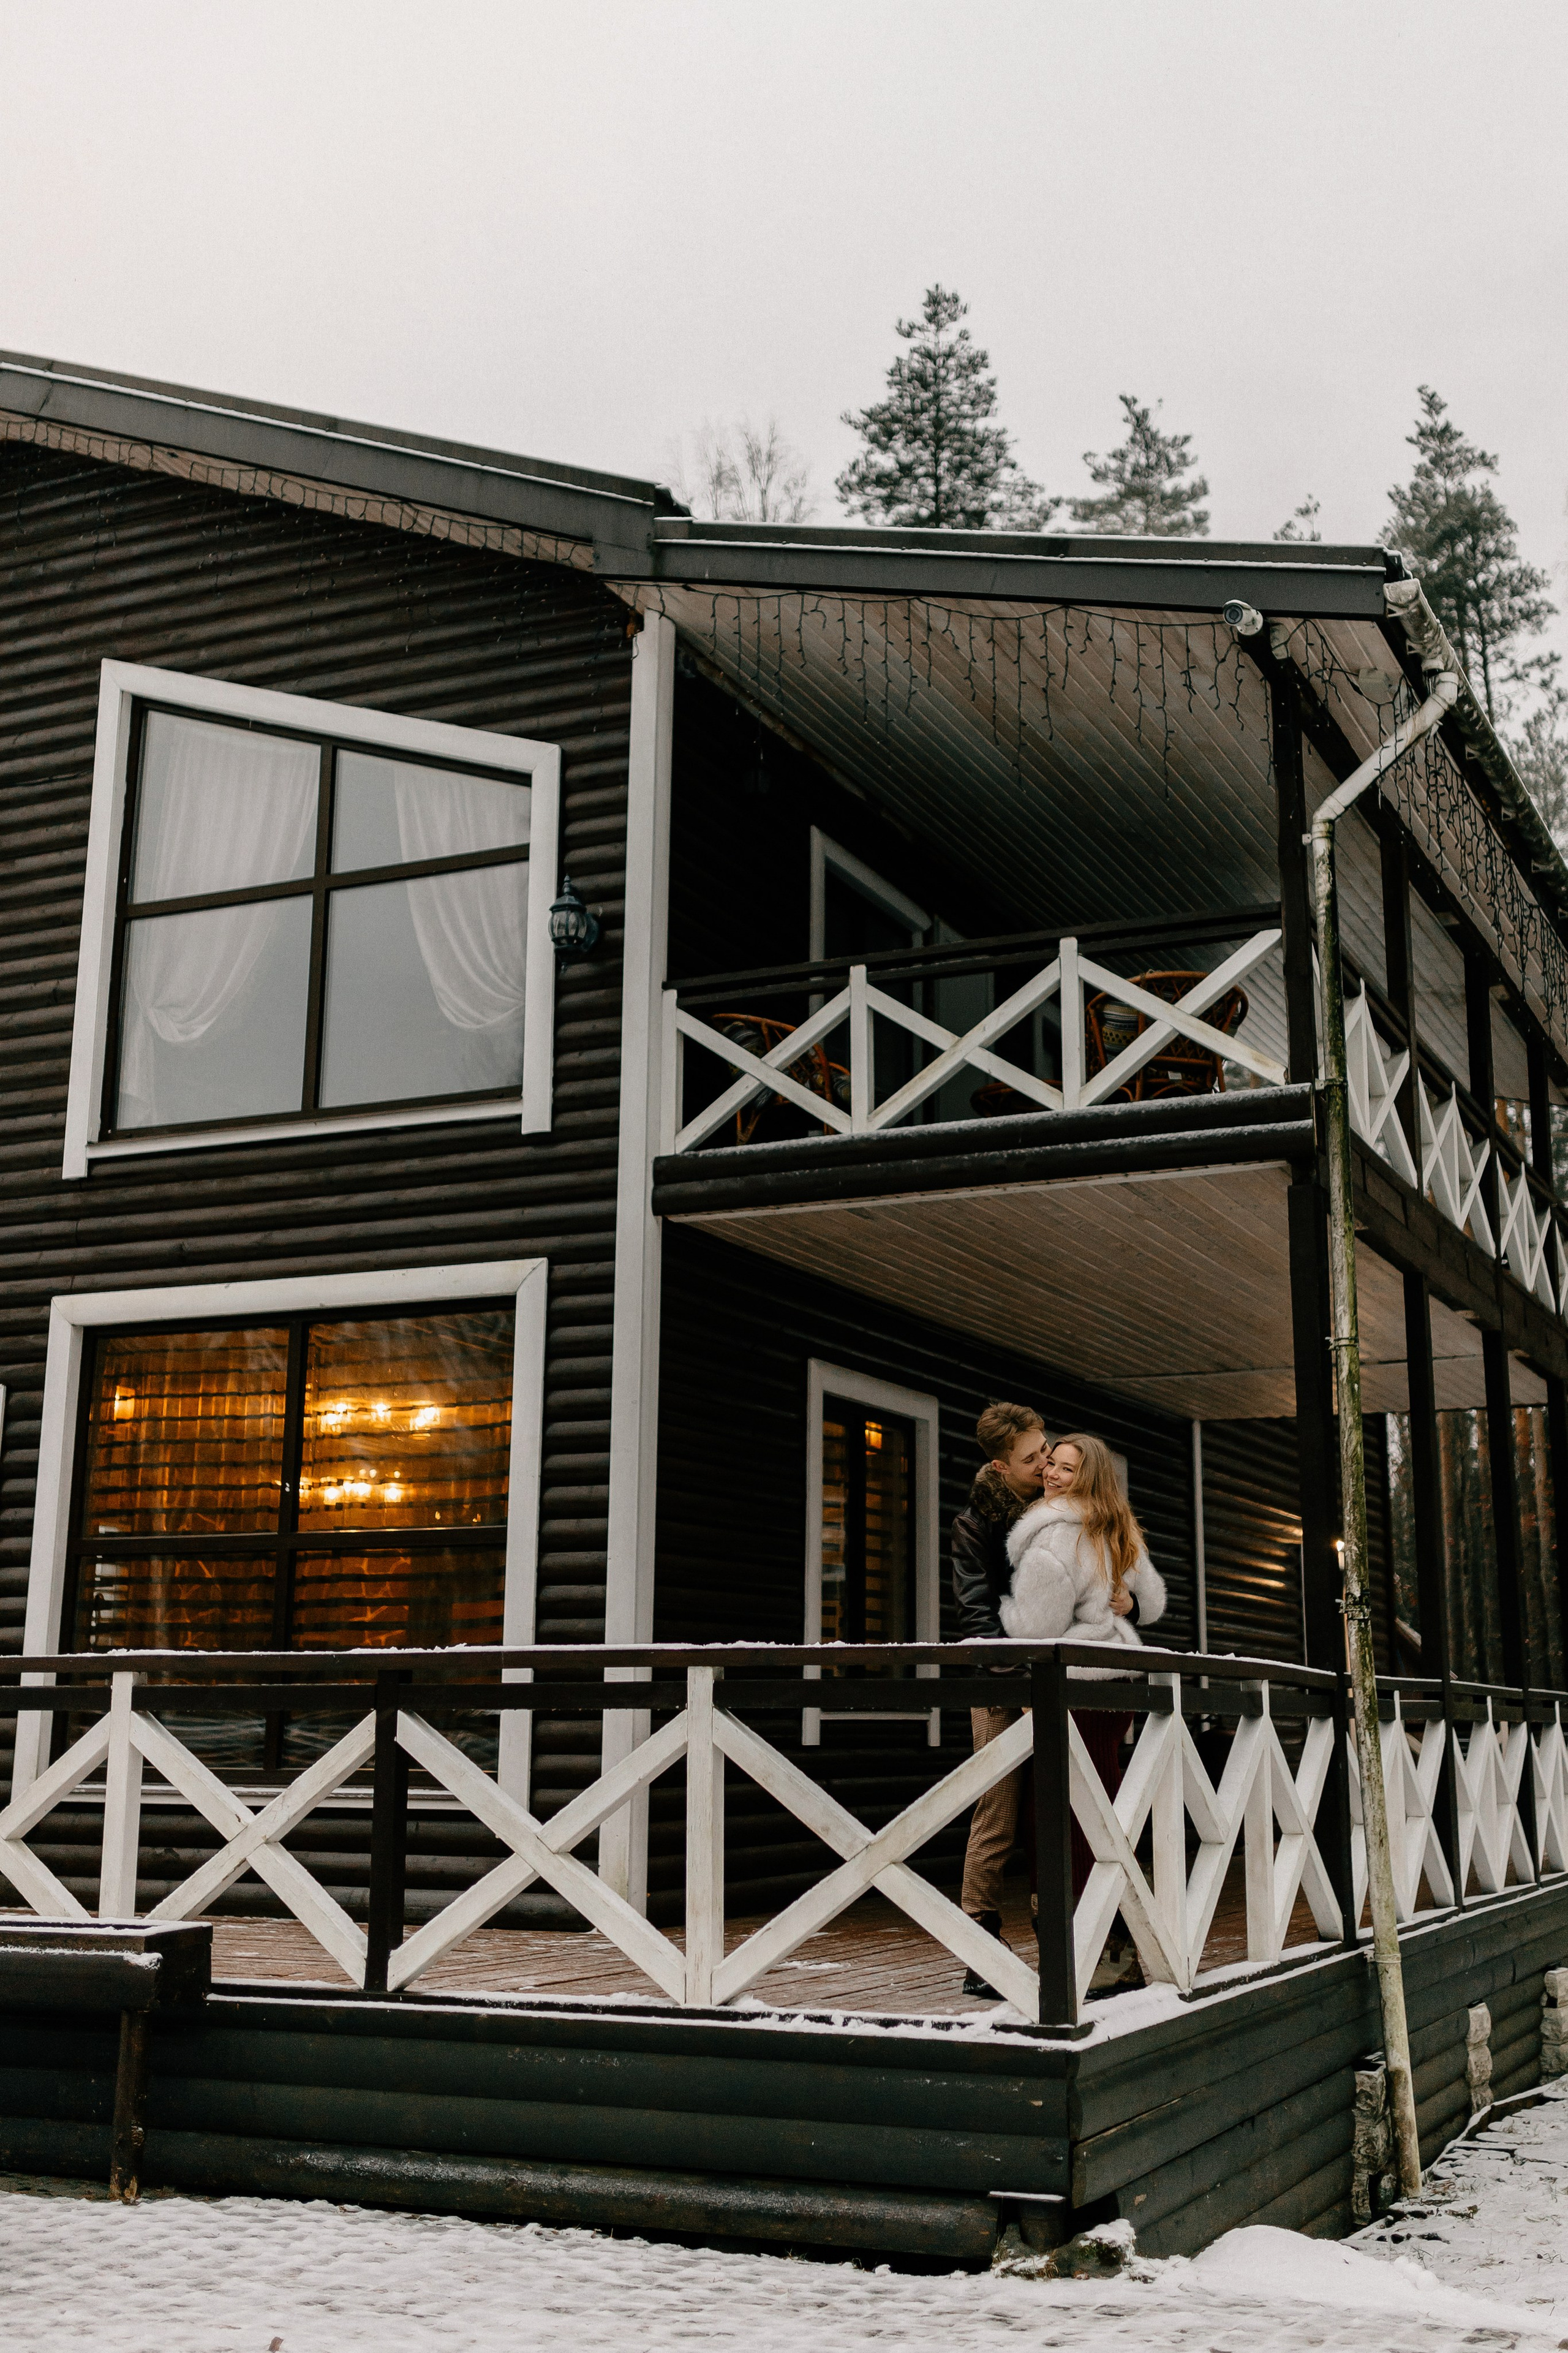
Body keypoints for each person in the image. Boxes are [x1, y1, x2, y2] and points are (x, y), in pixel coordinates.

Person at [1003, 1432, 1166, 1991]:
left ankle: (1085, 1953)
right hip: (1117, 1684)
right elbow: (1153, 1601)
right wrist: (1131, 1603)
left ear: (1087, 1478)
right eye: (1051, 1463)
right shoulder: (1118, 1530)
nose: (1051, 1473)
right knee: (1107, 1806)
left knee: (1058, 1815)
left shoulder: (1052, 1539)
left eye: (1066, 1469)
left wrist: (1005, 1611)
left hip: (1074, 1688)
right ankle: (1121, 1945)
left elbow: (1037, 1628)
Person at [951, 1400, 1050, 1996]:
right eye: (1030, 1457)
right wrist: (1020, 1683)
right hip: (1000, 1686)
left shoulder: (1061, 1509)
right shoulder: (974, 1525)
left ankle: (1065, 1937)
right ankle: (979, 1949)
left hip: (1059, 1683)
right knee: (998, 1814)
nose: (1044, 1462)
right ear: (1000, 1465)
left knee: (1060, 1811)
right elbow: (976, 1614)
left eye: (1045, 1449)